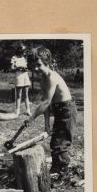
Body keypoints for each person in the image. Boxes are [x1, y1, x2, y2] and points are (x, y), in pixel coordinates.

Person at [26, 46, 77, 178]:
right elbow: (47, 105)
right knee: (55, 141)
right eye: (33, 65)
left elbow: (46, 102)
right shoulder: (43, 80)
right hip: (59, 110)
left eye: (39, 65)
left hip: (67, 111)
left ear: (47, 62)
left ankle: (63, 174)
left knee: (60, 144)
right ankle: (56, 168)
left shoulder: (51, 77)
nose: (36, 68)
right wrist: (46, 124)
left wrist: (32, 118)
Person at [10, 43, 31, 116]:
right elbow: (12, 68)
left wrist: (25, 69)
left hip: (25, 76)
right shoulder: (14, 57)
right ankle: (17, 111)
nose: (24, 53)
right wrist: (18, 68)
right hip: (18, 76)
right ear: (20, 51)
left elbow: (26, 67)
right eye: (24, 51)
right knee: (18, 95)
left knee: (26, 95)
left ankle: (28, 110)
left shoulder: (24, 58)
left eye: (25, 51)